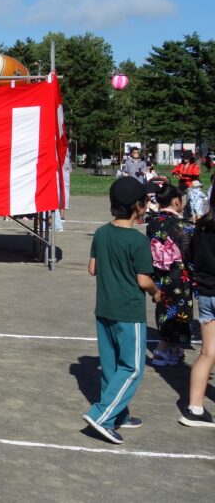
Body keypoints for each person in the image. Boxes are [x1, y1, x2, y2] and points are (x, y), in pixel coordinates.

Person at [82, 176, 161, 444]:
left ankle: (118, 414)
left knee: (111, 366)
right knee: (132, 368)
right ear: (138, 207)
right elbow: (143, 280)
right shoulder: (138, 242)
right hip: (128, 312)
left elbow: (92, 268)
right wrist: (156, 292)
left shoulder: (102, 232)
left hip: (104, 309)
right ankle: (102, 415)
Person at [146, 184, 195, 367]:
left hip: (160, 273)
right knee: (180, 312)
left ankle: (173, 348)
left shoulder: (153, 223)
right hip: (180, 274)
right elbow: (190, 252)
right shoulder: (184, 225)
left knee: (164, 309)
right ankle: (162, 349)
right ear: (176, 201)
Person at [182, 204, 215, 427]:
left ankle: (195, 408)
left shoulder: (202, 226)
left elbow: (190, 256)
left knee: (207, 353)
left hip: (206, 294)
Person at [172, 153, 201, 220]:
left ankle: (190, 215)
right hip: (181, 184)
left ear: (190, 158)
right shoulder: (180, 165)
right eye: (184, 157)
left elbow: (195, 175)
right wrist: (176, 175)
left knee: (189, 201)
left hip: (190, 185)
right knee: (182, 200)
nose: (185, 159)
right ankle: (185, 215)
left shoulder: (194, 166)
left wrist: (183, 175)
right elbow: (174, 172)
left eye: (187, 157)